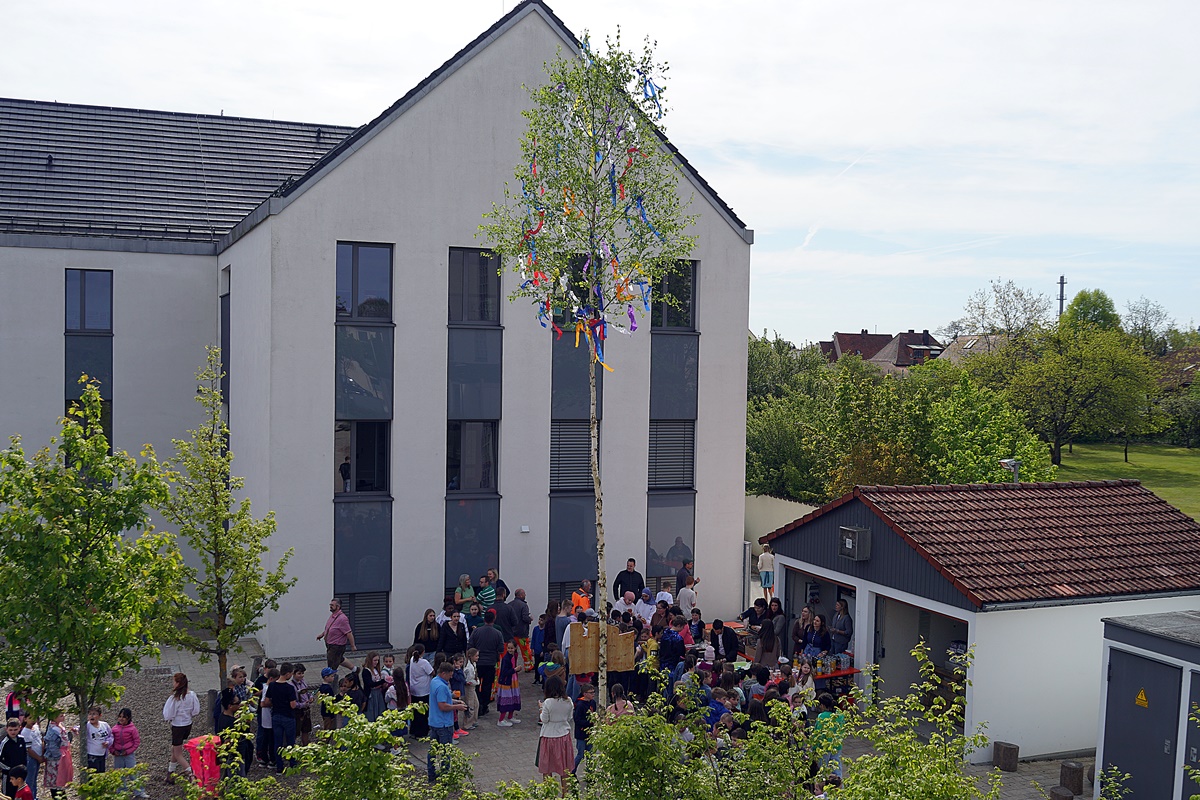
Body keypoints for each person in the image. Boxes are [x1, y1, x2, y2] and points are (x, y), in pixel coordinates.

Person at [426, 661, 466, 783]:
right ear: (443, 673)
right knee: (445, 752)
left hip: (433, 722)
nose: (451, 677)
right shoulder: (442, 687)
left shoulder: (434, 681)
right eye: (450, 674)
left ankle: (431, 775)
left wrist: (455, 702)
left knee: (432, 751)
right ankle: (445, 779)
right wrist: (457, 707)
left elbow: (443, 699)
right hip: (444, 724)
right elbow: (442, 706)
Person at [536, 676, 575, 796]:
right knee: (565, 769)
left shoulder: (548, 702)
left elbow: (544, 719)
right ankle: (565, 794)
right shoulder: (568, 701)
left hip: (549, 736)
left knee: (547, 769)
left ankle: (549, 794)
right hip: (564, 736)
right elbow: (569, 718)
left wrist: (541, 709)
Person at [467, 609, 505, 718]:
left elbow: (470, 645)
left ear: (484, 619)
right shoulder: (497, 633)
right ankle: (484, 705)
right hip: (490, 662)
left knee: (476, 684)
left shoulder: (476, 631)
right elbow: (501, 649)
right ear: (494, 619)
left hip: (478, 662)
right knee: (487, 686)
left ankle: (478, 703)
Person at [163, 673, 199, 777]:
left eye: (174, 682)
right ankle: (170, 773)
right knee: (174, 748)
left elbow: (169, 714)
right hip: (188, 724)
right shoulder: (192, 695)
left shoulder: (175, 698)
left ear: (178, 683)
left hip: (178, 726)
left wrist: (171, 718)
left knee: (178, 754)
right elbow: (196, 711)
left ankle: (191, 774)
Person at [265, 664, 297, 773]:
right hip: (288, 716)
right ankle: (292, 763)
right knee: (290, 741)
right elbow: (292, 705)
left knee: (277, 742)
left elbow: (268, 700)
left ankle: (279, 766)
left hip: (276, 715)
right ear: (288, 673)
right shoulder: (289, 688)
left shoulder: (272, 685)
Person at [110, 708, 143, 796]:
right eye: (120, 716)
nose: (121, 719)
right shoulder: (114, 729)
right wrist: (113, 751)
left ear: (128, 718)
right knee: (119, 773)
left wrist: (128, 751)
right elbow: (110, 741)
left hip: (128, 754)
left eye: (124, 717)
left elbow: (136, 742)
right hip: (118, 754)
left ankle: (139, 791)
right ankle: (121, 791)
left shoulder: (132, 729)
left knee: (133, 772)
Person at [317, 598, 357, 671]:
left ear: (338, 607)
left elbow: (349, 632)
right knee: (339, 659)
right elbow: (329, 628)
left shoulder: (342, 619)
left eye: (332, 605)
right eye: (330, 605)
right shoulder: (333, 616)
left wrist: (353, 646)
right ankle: (355, 669)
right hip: (330, 645)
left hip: (337, 646)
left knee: (332, 666)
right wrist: (322, 634)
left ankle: (332, 679)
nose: (330, 606)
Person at [814, 693, 845, 777]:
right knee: (836, 767)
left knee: (822, 769)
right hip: (837, 745)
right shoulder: (840, 714)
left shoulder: (822, 716)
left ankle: (822, 787)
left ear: (823, 705)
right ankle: (839, 785)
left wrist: (814, 748)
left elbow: (818, 734)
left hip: (824, 747)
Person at [406, 644, 433, 738]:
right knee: (423, 713)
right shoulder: (424, 662)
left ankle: (413, 731)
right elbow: (431, 672)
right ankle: (422, 733)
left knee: (415, 712)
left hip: (414, 690)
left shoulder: (412, 660)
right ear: (423, 652)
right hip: (424, 690)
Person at [42, 712, 70, 800]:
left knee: (61, 778)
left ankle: (62, 794)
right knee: (55, 779)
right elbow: (51, 745)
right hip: (55, 758)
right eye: (60, 715)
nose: (64, 716)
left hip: (62, 755)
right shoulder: (53, 730)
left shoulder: (59, 726)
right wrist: (59, 755)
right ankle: (57, 797)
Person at [496, 641, 522, 727]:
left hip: (513, 680)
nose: (510, 650)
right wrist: (515, 670)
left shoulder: (514, 655)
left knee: (513, 698)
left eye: (512, 648)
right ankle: (501, 719)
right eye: (508, 648)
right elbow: (504, 672)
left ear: (515, 648)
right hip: (506, 681)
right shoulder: (506, 658)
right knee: (506, 700)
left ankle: (510, 716)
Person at [572, 682, 596, 774]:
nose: (593, 694)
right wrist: (589, 722)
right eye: (591, 692)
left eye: (594, 692)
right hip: (581, 734)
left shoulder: (592, 703)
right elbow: (577, 720)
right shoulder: (580, 705)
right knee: (580, 754)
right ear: (585, 694)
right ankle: (572, 771)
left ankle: (590, 772)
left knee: (590, 754)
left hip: (590, 733)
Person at [510, 588, 535, 671]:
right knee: (525, 651)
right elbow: (525, 618)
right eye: (524, 594)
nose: (525, 596)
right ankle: (528, 667)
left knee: (512, 651)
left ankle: (512, 666)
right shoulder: (524, 605)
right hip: (522, 633)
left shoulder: (510, 604)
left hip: (511, 633)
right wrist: (530, 619)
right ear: (521, 595)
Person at [2, 718, 29, 796]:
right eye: (10, 730)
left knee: (20, 793)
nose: (13, 732)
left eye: (15, 729)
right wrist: (9, 769)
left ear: (20, 728)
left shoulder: (22, 739)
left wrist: (24, 768)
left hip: (20, 774)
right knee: (7, 794)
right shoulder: (5, 743)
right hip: (8, 775)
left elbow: (24, 754)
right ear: (6, 729)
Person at [19, 716, 43, 800]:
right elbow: (28, 750)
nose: (33, 720)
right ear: (25, 719)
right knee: (30, 780)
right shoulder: (25, 732)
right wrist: (38, 758)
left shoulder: (36, 727)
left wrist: (42, 754)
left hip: (38, 757)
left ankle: (34, 796)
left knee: (34, 779)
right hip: (31, 758)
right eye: (30, 718)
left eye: (35, 717)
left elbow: (40, 740)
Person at [83, 706, 110, 774]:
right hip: (92, 754)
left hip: (102, 754)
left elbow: (110, 736)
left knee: (101, 773)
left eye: (94, 714)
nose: (91, 716)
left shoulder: (105, 725)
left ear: (99, 715)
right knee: (93, 775)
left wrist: (108, 742)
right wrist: (75, 730)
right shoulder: (87, 726)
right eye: (90, 714)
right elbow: (79, 728)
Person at [463, 648, 480, 730]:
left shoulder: (473, 664)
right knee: (470, 705)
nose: (478, 657)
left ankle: (473, 720)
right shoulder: (469, 668)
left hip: (473, 687)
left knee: (476, 704)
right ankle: (467, 723)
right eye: (476, 656)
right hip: (469, 688)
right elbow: (467, 678)